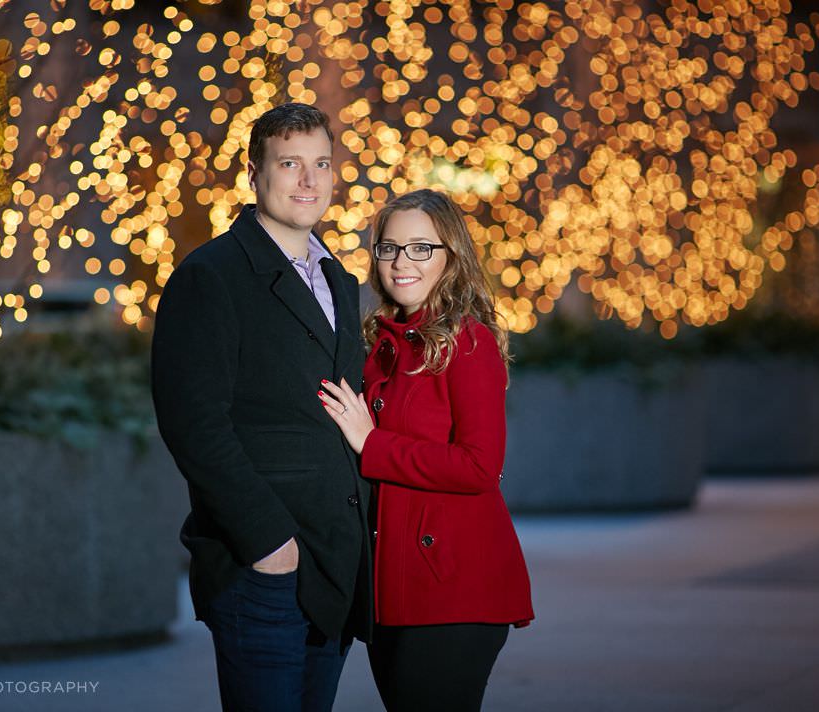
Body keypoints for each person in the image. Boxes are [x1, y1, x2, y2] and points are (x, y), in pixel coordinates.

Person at [151, 102, 371, 712]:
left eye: (321, 163)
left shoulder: (340, 279)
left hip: (335, 559)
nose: (309, 180)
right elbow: (194, 426)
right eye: (290, 163)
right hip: (263, 562)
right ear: (255, 173)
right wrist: (271, 543)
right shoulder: (211, 276)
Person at [318, 188, 534, 712]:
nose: (401, 262)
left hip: (452, 587)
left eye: (421, 248)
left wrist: (373, 443)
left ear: (451, 257)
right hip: (393, 585)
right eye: (389, 248)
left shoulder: (469, 342)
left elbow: (481, 467)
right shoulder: (383, 346)